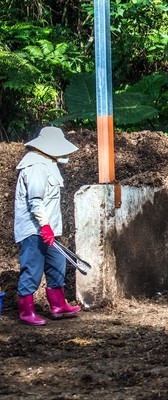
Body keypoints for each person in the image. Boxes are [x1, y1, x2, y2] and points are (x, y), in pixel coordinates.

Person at [14, 126, 81, 326]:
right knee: (32, 269)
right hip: (34, 230)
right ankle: (26, 312)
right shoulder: (35, 167)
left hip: (48, 229)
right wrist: (44, 227)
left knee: (57, 264)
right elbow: (35, 202)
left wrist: (50, 228)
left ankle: (59, 305)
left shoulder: (47, 163)